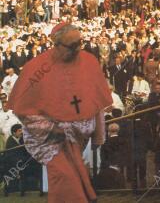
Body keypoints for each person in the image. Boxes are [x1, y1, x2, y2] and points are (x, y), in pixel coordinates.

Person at [8, 22, 112, 203]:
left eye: (80, 43)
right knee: (64, 178)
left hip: (78, 135)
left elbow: (97, 101)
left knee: (77, 172)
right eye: (72, 46)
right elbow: (23, 109)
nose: (78, 49)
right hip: (50, 138)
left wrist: (98, 136)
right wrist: (52, 128)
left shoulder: (88, 61)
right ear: (56, 44)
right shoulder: (37, 68)